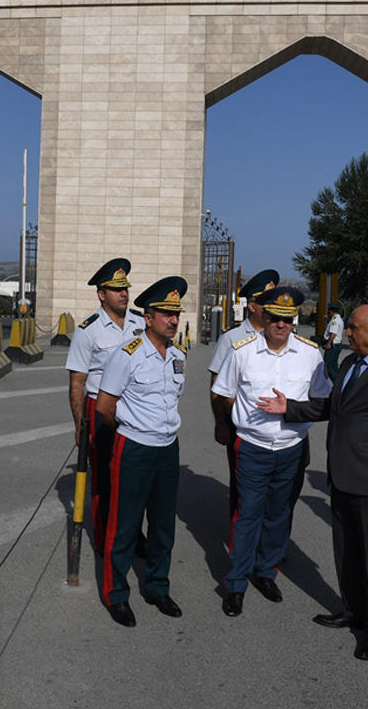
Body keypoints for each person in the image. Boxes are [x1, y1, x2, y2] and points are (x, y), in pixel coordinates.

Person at [257, 304, 368, 661]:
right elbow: (334, 407)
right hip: (343, 476)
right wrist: (288, 407)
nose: (346, 334)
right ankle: (353, 610)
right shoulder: (351, 364)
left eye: (352, 328)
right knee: (347, 553)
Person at [210, 287, 331, 617]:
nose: (281, 325)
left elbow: (323, 402)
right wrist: (232, 422)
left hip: (291, 448)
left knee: (279, 515)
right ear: (264, 317)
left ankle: (266, 572)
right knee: (247, 514)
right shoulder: (242, 351)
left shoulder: (310, 355)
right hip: (253, 447)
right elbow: (222, 392)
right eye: (275, 317)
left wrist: (289, 409)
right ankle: (235, 583)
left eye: (287, 319)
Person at [95, 276, 188, 626]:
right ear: (148, 318)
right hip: (134, 447)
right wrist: (130, 430)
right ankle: (116, 594)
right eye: (166, 314)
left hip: (167, 450)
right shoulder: (127, 354)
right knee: (124, 526)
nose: (173, 320)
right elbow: (105, 406)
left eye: (176, 314)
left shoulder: (179, 356)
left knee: (164, 526)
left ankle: (157, 587)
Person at [64, 258, 145, 552]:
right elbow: (77, 382)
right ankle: (105, 537)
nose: (124, 294)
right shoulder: (89, 330)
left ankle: (135, 535)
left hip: (136, 410)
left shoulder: (141, 323)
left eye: (125, 289)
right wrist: (80, 425)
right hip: (100, 409)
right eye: (116, 289)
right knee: (104, 478)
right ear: (102, 294)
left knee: (136, 477)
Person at [208, 269, 280, 528]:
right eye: (266, 300)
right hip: (242, 426)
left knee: (275, 490)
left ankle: (268, 542)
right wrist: (220, 424)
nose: (272, 306)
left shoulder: (279, 334)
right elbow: (217, 387)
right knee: (243, 487)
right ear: (252, 305)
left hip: (276, 425)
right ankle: (243, 539)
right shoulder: (231, 339)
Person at [322, 303, 345, 380]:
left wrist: (328, 343)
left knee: (329, 367)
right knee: (333, 366)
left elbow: (333, 333)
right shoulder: (338, 319)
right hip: (336, 345)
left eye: (329, 311)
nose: (328, 313)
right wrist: (327, 320)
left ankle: (337, 384)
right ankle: (339, 383)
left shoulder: (334, 321)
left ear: (331, 312)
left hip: (332, 346)